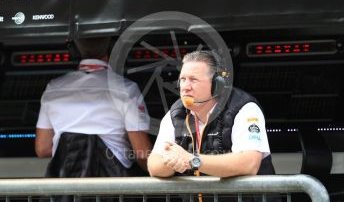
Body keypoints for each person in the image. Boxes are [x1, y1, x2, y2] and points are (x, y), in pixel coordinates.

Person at [35, 37, 152, 177]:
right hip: (113, 188)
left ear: (74, 50)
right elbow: (142, 153)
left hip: (66, 191)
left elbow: (43, 149)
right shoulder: (127, 89)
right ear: (113, 49)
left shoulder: (52, 88)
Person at [147, 50, 275, 178]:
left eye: (193, 80)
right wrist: (172, 162)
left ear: (217, 85)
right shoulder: (176, 113)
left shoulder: (245, 108)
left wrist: (192, 160)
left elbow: (249, 164)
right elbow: (153, 164)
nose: (185, 87)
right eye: (183, 79)